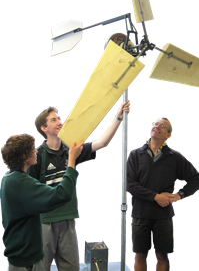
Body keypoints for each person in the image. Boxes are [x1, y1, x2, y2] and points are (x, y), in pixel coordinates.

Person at [28, 101, 130, 271]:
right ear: (43, 128)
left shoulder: (71, 150)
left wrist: (118, 117)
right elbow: (31, 195)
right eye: (54, 120)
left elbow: (102, 143)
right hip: (45, 222)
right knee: (41, 268)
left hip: (68, 219)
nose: (60, 122)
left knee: (71, 267)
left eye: (59, 118)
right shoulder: (37, 156)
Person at [126, 117, 199, 271]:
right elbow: (129, 184)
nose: (157, 126)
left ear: (168, 135)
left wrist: (179, 195)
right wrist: (155, 196)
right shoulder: (136, 155)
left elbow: (196, 179)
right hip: (141, 214)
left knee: (162, 256)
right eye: (155, 124)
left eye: (162, 126)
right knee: (140, 255)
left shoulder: (174, 157)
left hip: (163, 216)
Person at [0, 134, 84, 271]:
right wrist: (71, 161)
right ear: (24, 157)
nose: (37, 151)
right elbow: (62, 194)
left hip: (18, 256)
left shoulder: (8, 178)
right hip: (27, 262)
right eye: (33, 150)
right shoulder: (23, 183)